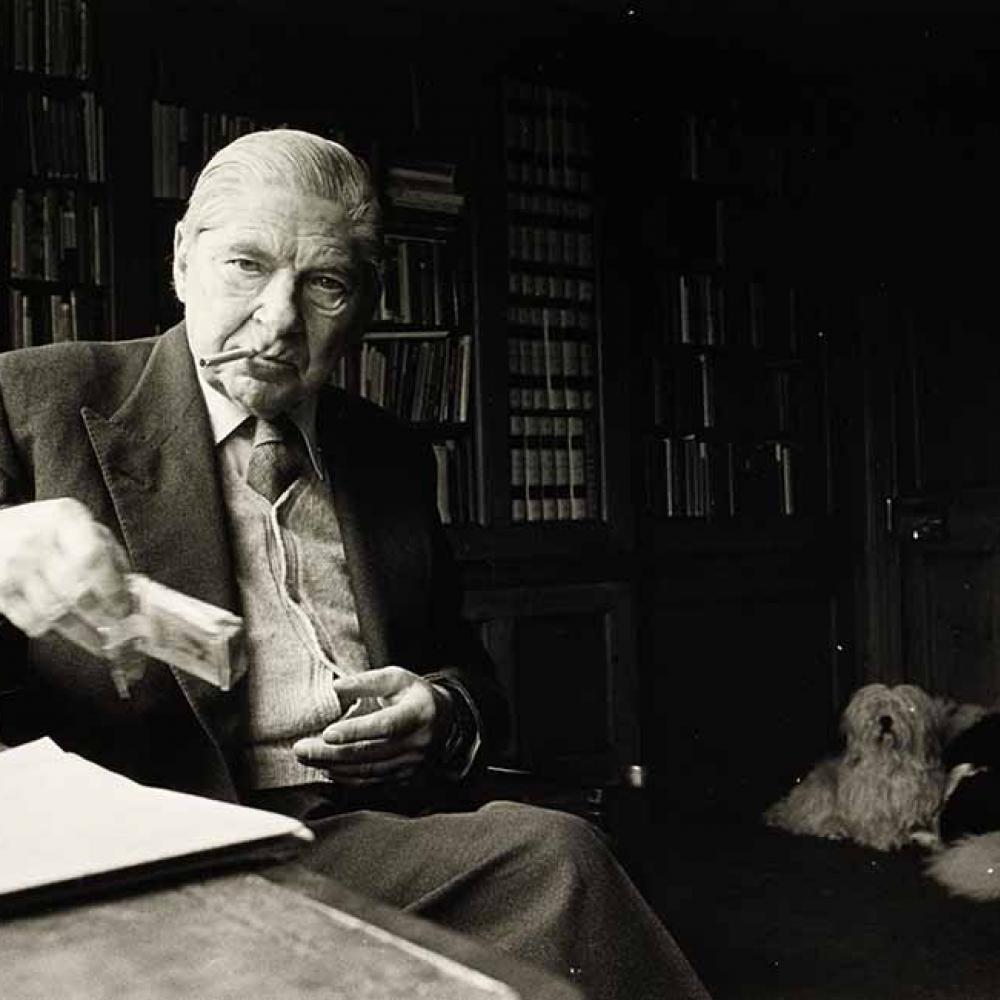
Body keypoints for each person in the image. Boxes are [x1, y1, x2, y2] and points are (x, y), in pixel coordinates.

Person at [0, 128, 710, 1000]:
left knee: (553, 860)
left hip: (356, 836)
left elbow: (471, 677)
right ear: (183, 259)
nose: (280, 318)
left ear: (365, 303)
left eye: (324, 284)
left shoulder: (388, 454)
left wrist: (438, 709)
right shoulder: (36, 401)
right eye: (245, 266)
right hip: (149, 843)